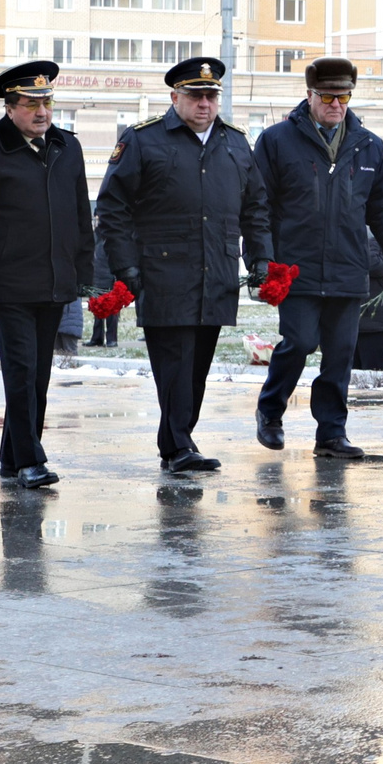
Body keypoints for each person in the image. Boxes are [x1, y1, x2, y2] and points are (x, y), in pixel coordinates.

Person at [95, 57, 273, 475]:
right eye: (195, 96)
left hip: (217, 272)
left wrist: (261, 259)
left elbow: (256, 208)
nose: (204, 104)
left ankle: (178, 441)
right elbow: (113, 207)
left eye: (211, 96)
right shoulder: (144, 140)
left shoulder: (235, 143)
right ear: (175, 98)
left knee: (196, 369)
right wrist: (126, 267)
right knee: (175, 364)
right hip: (163, 272)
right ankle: (178, 445)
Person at [252, 57, 383, 457]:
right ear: (309, 95)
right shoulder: (276, 141)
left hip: (348, 268)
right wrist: (263, 260)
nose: (336, 104)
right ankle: (270, 411)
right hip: (295, 267)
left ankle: (332, 434)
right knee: (300, 341)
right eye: (327, 97)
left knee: (340, 355)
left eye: (343, 97)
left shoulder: (369, 146)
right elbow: (258, 207)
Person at [0, 61, 92, 488]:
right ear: (10, 108)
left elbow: (80, 216)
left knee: (38, 374)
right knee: (21, 370)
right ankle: (31, 459)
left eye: (47, 103)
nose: (42, 112)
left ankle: (12, 457)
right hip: (10, 281)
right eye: (31, 104)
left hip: (55, 280)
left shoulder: (67, 147)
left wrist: (84, 271)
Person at [353, 234, 383, 371]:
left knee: (373, 373)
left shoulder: (375, 242)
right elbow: (372, 263)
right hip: (365, 319)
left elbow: (372, 263)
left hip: (374, 321)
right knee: (358, 373)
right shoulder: (372, 242)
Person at [85, 216, 119, 348]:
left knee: (112, 310)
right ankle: (97, 337)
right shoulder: (95, 235)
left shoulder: (111, 233)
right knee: (97, 309)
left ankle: (111, 339)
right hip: (96, 275)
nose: (96, 220)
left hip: (110, 275)